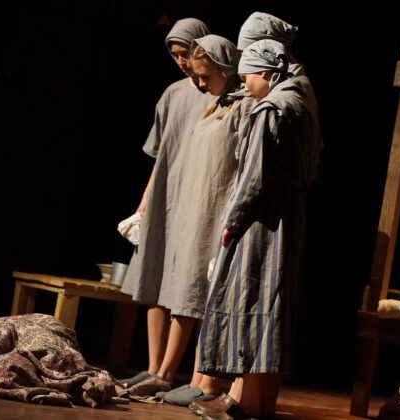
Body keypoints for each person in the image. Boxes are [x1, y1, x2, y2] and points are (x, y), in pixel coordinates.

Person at [193, 39, 322, 420]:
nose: (245, 85)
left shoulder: (272, 109)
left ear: (265, 72)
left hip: (264, 221)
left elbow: (253, 176)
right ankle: (261, 403)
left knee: (253, 304)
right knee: (271, 305)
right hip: (288, 217)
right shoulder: (299, 103)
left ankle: (248, 404)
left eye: (247, 76)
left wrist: (232, 221)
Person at [128, 35, 257, 403]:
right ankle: (182, 376)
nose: (199, 83)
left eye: (205, 76)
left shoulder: (245, 106)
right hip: (194, 206)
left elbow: (242, 164)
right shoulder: (216, 102)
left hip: (217, 210)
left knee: (199, 294)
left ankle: (198, 379)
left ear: (225, 69)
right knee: (185, 289)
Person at [119, 18, 210, 389]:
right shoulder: (172, 94)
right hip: (166, 194)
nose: (181, 61)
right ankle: (153, 368)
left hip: (198, 195)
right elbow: (162, 154)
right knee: (154, 275)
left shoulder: (221, 91)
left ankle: (168, 373)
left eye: (186, 53)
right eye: (175, 55)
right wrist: (145, 200)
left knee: (184, 283)